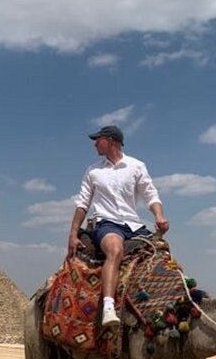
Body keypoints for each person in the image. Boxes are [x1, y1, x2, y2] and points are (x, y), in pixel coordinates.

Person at [67, 125, 169, 329]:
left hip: (134, 226)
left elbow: (150, 195)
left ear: (111, 141)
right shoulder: (93, 170)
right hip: (106, 223)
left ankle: (163, 307)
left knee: (163, 253)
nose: (95, 144)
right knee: (115, 249)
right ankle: (108, 307)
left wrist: (159, 216)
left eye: (98, 139)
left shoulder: (136, 166)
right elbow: (83, 203)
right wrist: (73, 233)